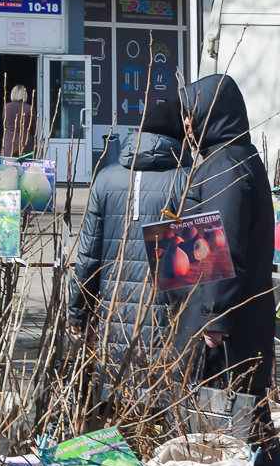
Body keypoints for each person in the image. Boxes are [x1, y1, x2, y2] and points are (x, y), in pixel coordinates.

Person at [168, 74, 280, 466]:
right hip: (237, 318)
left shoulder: (224, 165)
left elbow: (226, 243)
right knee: (248, 420)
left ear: (210, 114)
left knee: (237, 423)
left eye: (190, 114)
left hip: (226, 327)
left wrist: (214, 318)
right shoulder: (234, 157)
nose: (185, 124)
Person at [69, 102, 191, 403]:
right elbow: (195, 266)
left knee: (114, 405)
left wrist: (79, 314)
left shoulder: (107, 178)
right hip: (166, 319)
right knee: (160, 408)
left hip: (112, 318)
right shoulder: (187, 180)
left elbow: (88, 256)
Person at [3, 85, 35, 157]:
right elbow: (34, 129)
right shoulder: (29, 108)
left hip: (9, 143)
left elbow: (4, 124)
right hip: (25, 143)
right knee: (25, 167)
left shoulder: (6, 107)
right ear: (25, 95)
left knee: (8, 167)